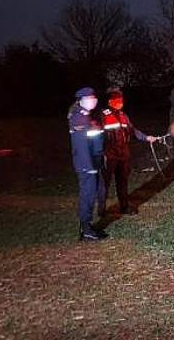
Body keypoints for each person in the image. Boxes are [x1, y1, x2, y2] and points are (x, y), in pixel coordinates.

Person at [99, 89, 157, 215]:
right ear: (110, 102)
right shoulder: (103, 115)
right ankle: (101, 209)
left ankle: (124, 207)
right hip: (109, 153)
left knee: (123, 181)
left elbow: (133, 131)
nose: (120, 102)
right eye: (117, 100)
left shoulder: (123, 116)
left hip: (123, 153)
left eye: (121, 100)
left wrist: (147, 138)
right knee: (105, 181)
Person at [68, 87, 107, 241]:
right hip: (87, 165)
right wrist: (89, 167)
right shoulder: (79, 118)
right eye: (90, 97)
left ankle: (87, 226)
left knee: (96, 191)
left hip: (93, 162)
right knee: (88, 195)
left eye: (94, 97)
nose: (94, 100)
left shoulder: (87, 116)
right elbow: (81, 145)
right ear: (81, 100)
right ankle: (86, 229)